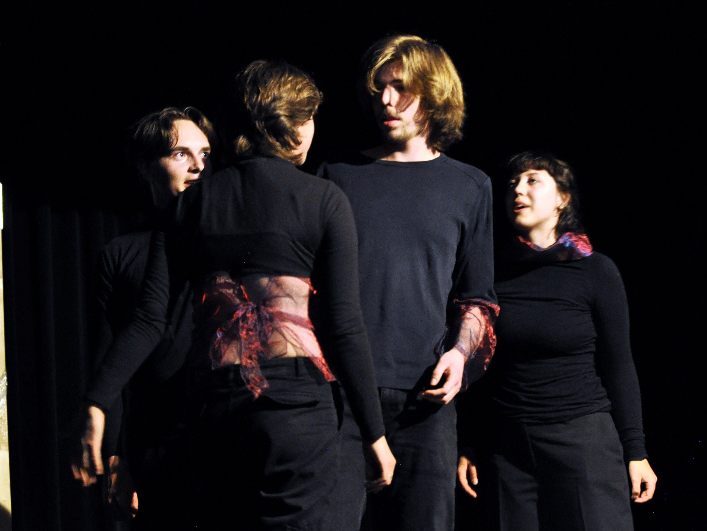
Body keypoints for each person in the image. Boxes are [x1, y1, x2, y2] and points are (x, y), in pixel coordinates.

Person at [73, 59, 395, 530]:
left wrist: (96, 400)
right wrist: (375, 433)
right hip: (295, 409)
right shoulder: (324, 200)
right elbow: (343, 325)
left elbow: (148, 320)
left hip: (215, 411)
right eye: (309, 117)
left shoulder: (191, 204)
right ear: (292, 125)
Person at [318, 35, 498, 531]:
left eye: (400, 87)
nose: (386, 100)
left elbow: (478, 297)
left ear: (435, 92)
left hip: (425, 402)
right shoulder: (337, 174)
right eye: (379, 88)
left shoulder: (470, 185)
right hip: (340, 396)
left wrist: (459, 354)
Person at [456, 151, 658, 530]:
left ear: (562, 199)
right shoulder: (491, 272)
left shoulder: (595, 270)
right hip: (508, 447)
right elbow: (480, 366)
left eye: (533, 180)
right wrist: (468, 441)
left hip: (581, 442)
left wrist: (636, 452)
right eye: (513, 183)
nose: (518, 190)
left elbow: (618, 364)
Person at [87, 107, 215, 529]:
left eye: (205, 153)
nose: (198, 166)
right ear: (147, 166)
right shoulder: (122, 253)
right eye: (181, 154)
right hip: (156, 441)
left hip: (223, 429)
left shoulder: (229, 239)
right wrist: (116, 457)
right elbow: (110, 355)